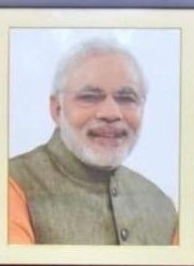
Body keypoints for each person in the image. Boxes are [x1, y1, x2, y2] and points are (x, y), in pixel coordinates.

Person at [9, 38, 178, 246]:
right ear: (57, 109)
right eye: (89, 97)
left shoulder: (161, 206)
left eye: (127, 98)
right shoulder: (10, 185)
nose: (111, 113)